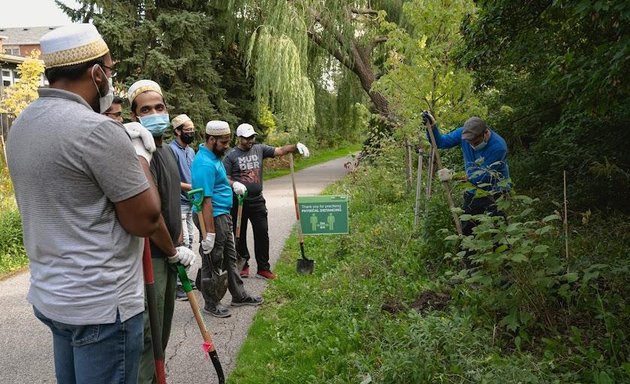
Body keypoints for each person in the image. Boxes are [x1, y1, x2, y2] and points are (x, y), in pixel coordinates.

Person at [6, 24, 162, 383]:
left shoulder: (23, 123)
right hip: (103, 307)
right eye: (109, 70)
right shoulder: (97, 130)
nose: (111, 79)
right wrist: (137, 155)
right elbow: (146, 220)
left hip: (52, 299)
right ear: (95, 73)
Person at [128, 79, 196, 383]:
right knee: (148, 337)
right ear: (134, 117)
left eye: (159, 107)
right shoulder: (140, 155)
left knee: (164, 331)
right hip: (151, 258)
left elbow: (170, 202)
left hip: (170, 255)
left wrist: (180, 241)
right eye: (146, 109)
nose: (155, 113)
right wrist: (171, 251)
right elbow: (148, 214)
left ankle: (159, 377)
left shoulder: (166, 151)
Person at [191, 120, 263, 318]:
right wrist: (210, 233)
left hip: (222, 214)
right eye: (223, 142)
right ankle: (211, 303)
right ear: (211, 139)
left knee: (230, 257)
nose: (226, 146)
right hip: (212, 217)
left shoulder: (214, 157)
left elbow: (218, 184)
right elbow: (205, 200)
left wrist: (233, 186)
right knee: (212, 259)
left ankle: (238, 295)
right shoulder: (204, 163)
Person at [222, 123, 310, 279]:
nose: (250, 141)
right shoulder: (230, 156)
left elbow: (280, 150)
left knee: (262, 233)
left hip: (257, 201)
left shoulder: (260, 149)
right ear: (239, 138)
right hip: (239, 202)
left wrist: (295, 146)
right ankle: (244, 264)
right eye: (247, 138)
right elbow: (225, 178)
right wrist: (234, 184)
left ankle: (263, 268)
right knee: (239, 234)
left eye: (252, 137)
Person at [423, 112, 512, 236]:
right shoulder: (464, 135)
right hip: (472, 191)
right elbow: (441, 142)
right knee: (467, 228)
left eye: (475, 142)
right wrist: (432, 127)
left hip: (496, 191)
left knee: (499, 230)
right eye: (470, 142)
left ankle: (503, 253)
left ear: (485, 133)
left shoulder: (498, 147)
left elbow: (482, 177)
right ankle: (468, 254)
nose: (472, 145)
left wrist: (453, 175)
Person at [169, 113, 198, 301]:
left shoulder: (190, 150)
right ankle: (178, 285)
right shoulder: (171, 150)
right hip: (178, 203)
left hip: (191, 202)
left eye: (192, 131)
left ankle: (183, 277)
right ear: (177, 131)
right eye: (187, 131)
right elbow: (171, 179)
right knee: (182, 243)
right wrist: (190, 187)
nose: (190, 133)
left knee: (190, 241)